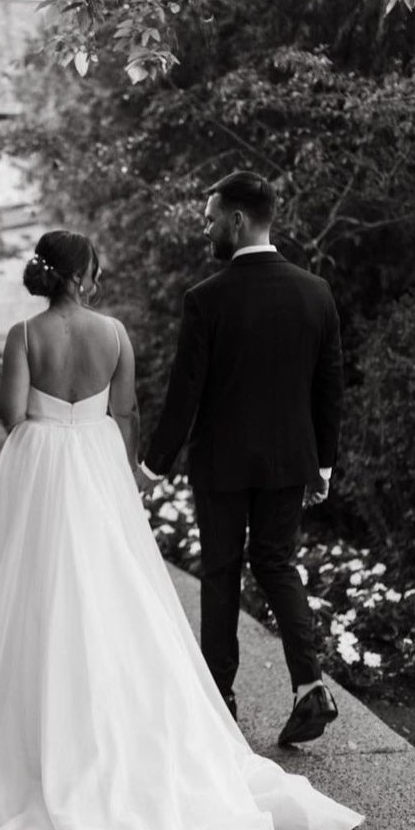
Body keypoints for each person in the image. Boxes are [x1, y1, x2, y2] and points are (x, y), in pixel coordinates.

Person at [0, 229, 362, 830]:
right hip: (95, 469)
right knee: (112, 597)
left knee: (31, 598)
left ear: (45, 275)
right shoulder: (115, 332)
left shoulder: (25, 332)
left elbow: (11, 415)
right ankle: (111, 714)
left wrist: (46, 414)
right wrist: (116, 475)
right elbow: (124, 412)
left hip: (38, 472)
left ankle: (34, 717)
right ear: (88, 273)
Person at [139, 171, 344, 747]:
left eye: (209, 220)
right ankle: (311, 688)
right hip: (289, 461)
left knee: (223, 570)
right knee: (276, 565)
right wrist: (322, 465)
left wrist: (153, 468)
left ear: (236, 220)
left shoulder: (207, 298)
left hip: (222, 463)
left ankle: (218, 700)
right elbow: (331, 388)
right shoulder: (316, 292)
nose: (207, 229)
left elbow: (186, 393)